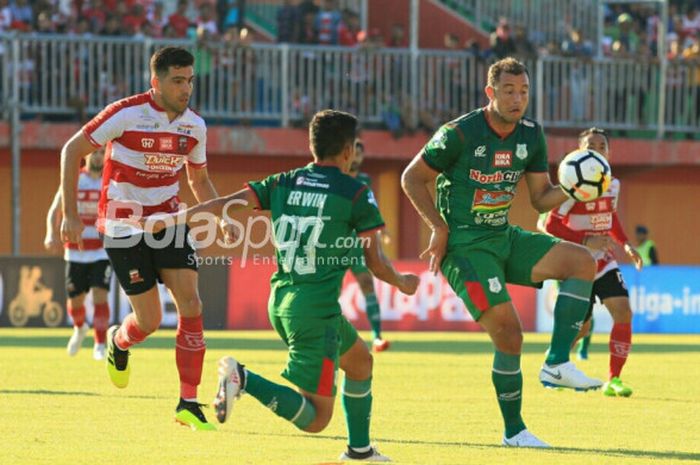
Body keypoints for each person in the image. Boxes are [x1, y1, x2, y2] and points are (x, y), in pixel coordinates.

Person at [149, 110, 418, 461]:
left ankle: (360, 452)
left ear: (312, 145)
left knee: (360, 363)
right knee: (316, 419)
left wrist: (175, 218)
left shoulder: (284, 181)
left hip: (283, 299)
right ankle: (243, 378)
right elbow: (375, 263)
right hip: (314, 311)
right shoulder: (355, 193)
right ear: (349, 150)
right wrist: (402, 282)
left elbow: (226, 202)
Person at [401, 57, 602, 448]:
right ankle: (515, 432)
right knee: (510, 335)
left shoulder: (531, 134)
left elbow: (542, 200)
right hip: (465, 246)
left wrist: (577, 188)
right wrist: (438, 227)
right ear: (490, 93)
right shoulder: (459, 133)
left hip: (503, 236)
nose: (518, 98)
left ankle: (557, 362)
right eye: (509, 91)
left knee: (582, 261)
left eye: (524, 91)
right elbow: (412, 176)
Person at [59, 46, 235, 431]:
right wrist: (71, 215)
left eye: (190, 80)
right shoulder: (125, 113)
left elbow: (198, 179)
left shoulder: (195, 126)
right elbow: (73, 149)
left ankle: (188, 401)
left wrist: (219, 217)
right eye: (177, 81)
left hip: (169, 221)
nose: (186, 88)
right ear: (156, 82)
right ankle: (119, 342)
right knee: (150, 320)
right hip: (122, 227)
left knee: (191, 303)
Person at [543, 127, 643, 397]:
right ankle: (555, 363)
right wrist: (586, 241)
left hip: (605, 261)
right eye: (591, 146)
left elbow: (610, 218)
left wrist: (625, 244)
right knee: (583, 326)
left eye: (602, 146)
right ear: (579, 152)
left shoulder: (614, 184)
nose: (597, 150)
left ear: (609, 153)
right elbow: (550, 225)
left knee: (623, 311)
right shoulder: (571, 185)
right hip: (577, 263)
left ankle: (614, 379)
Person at [45, 148, 112, 360]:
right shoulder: (74, 180)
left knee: (100, 294)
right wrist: (50, 234)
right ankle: (79, 327)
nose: (98, 156)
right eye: (95, 153)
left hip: (101, 250)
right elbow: (55, 209)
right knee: (76, 300)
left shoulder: (109, 182)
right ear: (87, 156)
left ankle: (100, 344)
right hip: (75, 250)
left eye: (102, 153)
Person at [348, 139, 390, 352]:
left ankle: (377, 336)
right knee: (331, 288)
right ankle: (324, 333)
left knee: (366, 282)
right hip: (333, 240)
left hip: (357, 241)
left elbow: (371, 206)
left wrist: (382, 229)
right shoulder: (337, 177)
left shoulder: (365, 180)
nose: (356, 157)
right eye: (353, 152)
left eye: (360, 154)